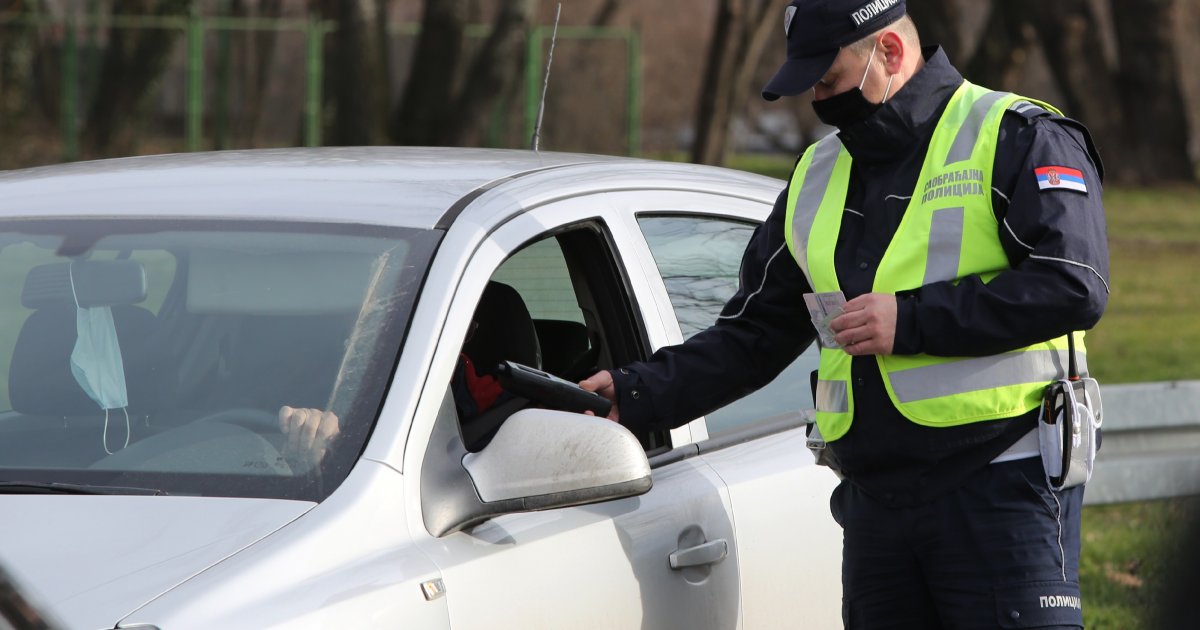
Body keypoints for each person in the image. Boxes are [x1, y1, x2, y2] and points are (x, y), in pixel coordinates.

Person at [581, 1, 1108, 627]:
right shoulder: (815, 175)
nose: (819, 100)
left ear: (888, 52)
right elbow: (755, 333)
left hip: (1000, 484)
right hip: (876, 503)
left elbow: (1074, 284)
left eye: (828, 80)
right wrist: (639, 392)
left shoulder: (1017, 135)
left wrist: (909, 321)